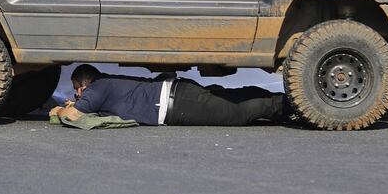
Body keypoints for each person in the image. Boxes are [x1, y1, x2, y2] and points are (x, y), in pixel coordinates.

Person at [50, 64, 292, 126]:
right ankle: (286, 104)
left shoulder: (97, 87)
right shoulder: (103, 87)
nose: (77, 94)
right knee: (233, 98)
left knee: (237, 112)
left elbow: (72, 115)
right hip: (176, 97)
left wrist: (58, 110)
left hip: (176, 102)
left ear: (84, 83)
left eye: (76, 89)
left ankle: (292, 107)